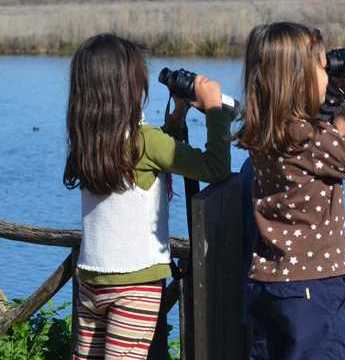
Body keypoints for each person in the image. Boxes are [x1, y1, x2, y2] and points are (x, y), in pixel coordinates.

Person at [63, 33, 233, 360]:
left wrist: (178, 115)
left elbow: (145, 163)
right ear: (128, 88)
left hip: (91, 281)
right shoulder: (145, 141)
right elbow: (215, 168)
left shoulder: (87, 143)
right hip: (135, 287)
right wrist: (215, 111)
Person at [236, 22, 345, 359]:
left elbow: (309, 121)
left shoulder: (266, 131)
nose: (326, 72)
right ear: (298, 79)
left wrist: (336, 91)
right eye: (322, 66)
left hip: (268, 286)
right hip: (313, 290)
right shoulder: (310, 140)